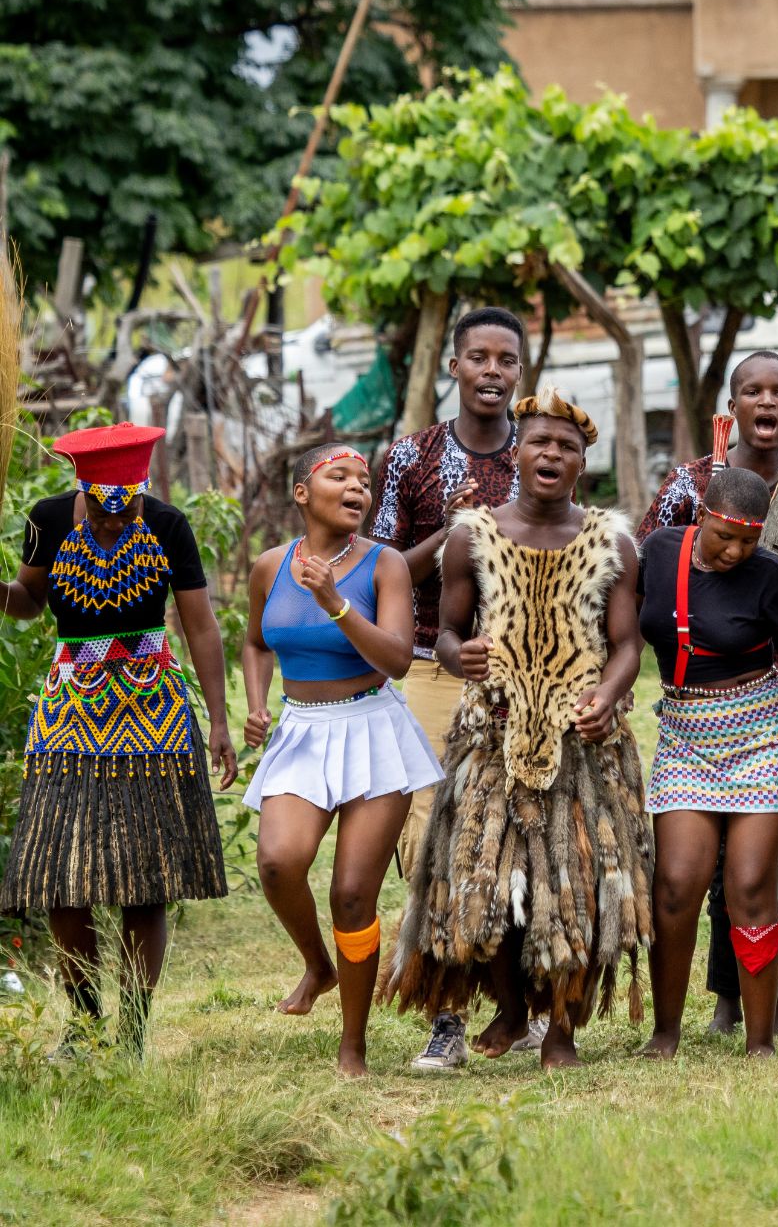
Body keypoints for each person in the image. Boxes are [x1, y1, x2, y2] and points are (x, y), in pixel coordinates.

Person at [382, 390, 651, 1070]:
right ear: (518, 452)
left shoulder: (612, 542)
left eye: (565, 446)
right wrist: (454, 655)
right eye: (538, 442)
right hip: (492, 734)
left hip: (582, 741)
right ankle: (508, 1007)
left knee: (576, 889)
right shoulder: (472, 537)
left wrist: (608, 695)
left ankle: (560, 1032)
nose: (550, 454)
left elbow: (627, 645)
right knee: (484, 883)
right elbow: (445, 632)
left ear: (583, 460)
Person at [0, 423, 236, 1056]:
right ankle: (81, 1025)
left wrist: (217, 720)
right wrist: (4, 593)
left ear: (142, 487)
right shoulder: (48, 518)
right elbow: (29, 599)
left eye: (126, 506)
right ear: (82, 486)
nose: (112, 521)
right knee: (58, 871)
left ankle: (131, 1031)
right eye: (102, 508)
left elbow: (202, 628)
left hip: (152, 707)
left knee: (145, 874)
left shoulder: (167, 524)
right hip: (68, 708)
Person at [240, 443, 440, 1076]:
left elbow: (398, 659)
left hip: (371, 728)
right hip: (302, 729)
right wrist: (255, 703)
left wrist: (335, 602)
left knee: (353, 894)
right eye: (340, 477)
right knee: (277, 863)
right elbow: (253, 643)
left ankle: (352, 1044)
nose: (358, 488)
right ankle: (318, 966)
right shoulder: (269, 566)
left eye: (364, 481)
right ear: (303, 493)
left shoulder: (384, 566)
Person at [637, 351, 778, 1042]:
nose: (737, 552)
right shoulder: (667, 531)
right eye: (752, 390)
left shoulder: (777, 565)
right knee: (678, 886)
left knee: (753, 886)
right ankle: (667, 1031)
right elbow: (628, 613)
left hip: (762, 727)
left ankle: (765, 1032)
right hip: (685, 727)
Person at [371, 304, 529, 1071]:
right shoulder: (411, 456)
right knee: (431, 837)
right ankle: (446, 1016)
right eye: (479, 358)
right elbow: (379, 570)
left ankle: (524, 1003)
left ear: (519, 372)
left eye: (506, 359)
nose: (492, 372)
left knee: (527, 831)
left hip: (528, 673)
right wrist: (459, 528)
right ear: (455, 368)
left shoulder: (543, 449)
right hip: (434, 668)